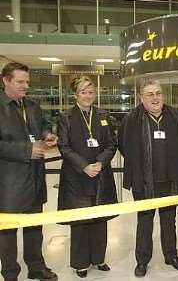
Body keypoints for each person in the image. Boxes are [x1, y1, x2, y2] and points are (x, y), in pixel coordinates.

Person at [119, 79, 178, 278]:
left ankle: (171, 255)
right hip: (143, 181)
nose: (155, 98)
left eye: (158, 93)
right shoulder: (131, 119)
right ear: (141, 97)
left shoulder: (174, 115)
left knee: (169, 220)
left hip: (169, 180)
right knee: (145, 222)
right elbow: (124, 146)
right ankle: (142, 260)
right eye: (150, 94)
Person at [0, 62, 58, 281]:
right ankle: (10, 273)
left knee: (34, 227)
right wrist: (26, 150)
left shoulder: (32, 106)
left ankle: (36, 267)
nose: (25, 86)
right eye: (20, 82)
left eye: (27, 82)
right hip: (9, 182)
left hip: (35, 177)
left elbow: (43, 125)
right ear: (5, 80)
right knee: (7, 232)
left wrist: (48, 135)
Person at [56, 76, 118, 278]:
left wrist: (100, 162)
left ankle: (99, 258)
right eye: (84, 92)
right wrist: (84, 166)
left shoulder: (103, 115)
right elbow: (64, 147)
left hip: (100, 174)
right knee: (81, 220)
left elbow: (111, 143)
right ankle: (81, 263)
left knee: (100, 219)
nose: (88, 96)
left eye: (91, 92)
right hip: (77, 176)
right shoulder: (66, 117)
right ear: (76, 94)